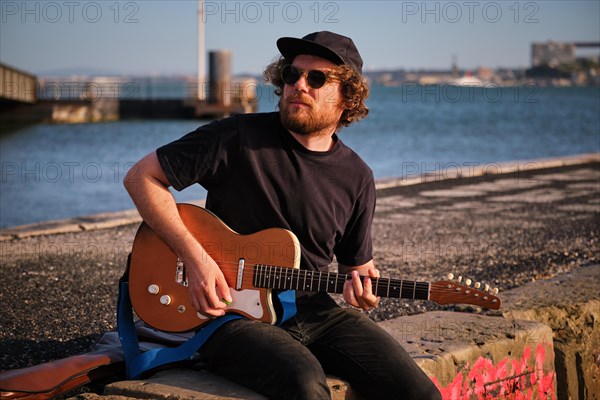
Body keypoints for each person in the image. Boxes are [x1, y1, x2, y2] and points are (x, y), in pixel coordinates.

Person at [124, 31, 441, 400]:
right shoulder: (236, 138)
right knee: (305, 384)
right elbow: (141, 177)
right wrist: (195, 259)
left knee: (420, 393)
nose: (299, 85)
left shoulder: (358, 177)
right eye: (292, 74)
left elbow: (359, 269)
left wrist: (364, 292)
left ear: (348, 97)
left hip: (317, 312)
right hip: (231, 315)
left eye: (317, 78)